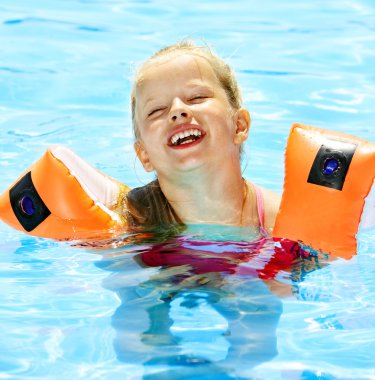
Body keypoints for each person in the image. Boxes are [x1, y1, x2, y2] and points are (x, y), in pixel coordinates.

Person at [125, 40, 281, 236]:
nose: (177, 110)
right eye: (156, 110)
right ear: (144, 154)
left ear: (239, 126)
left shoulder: (282, 223)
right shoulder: (131, 224)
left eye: (197, 97)